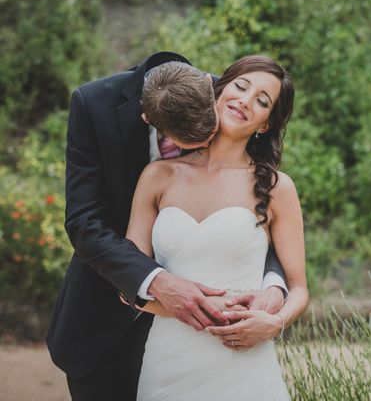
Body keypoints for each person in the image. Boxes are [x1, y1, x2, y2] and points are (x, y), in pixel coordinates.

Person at [46, 53, 287, 401]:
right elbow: (85, 222)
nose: (206, 148)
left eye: (210, 135)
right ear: (147, 119)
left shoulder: (236, 96)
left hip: (214, 341)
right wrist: (157, 282)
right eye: (192, 144)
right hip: (108, 323)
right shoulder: (93, 104)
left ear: (211, 89)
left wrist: (274, 287)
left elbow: (263, 207)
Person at [127, 55, 308, 399]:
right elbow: (130, 285)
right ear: (218, 91)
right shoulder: (157, 176)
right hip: (168, 363)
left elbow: (298, 287)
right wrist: (196, 310)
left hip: (244, 363)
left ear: (264, 125)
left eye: (262, 101)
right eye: (241, 86)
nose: (245, 100)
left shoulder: (277, 187)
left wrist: (275, 322)